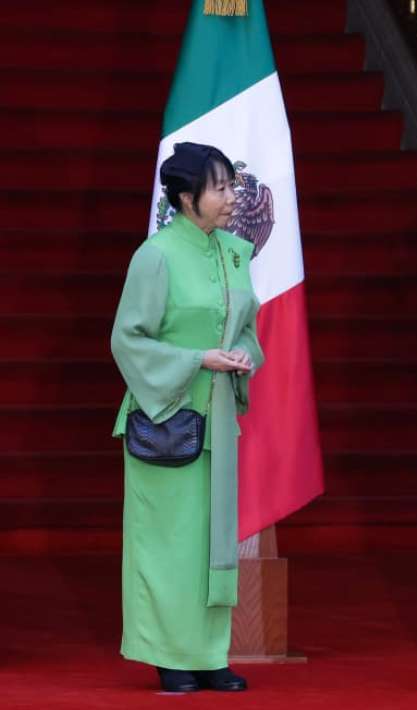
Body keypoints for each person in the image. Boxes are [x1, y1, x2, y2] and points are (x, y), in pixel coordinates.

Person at [110, 142, 263, 693]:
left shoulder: (236, 251)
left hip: (219, 415)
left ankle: (208, 655)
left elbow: (247, 326)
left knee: (211, 540)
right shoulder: (155, 255)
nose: (230, 196)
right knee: (166, 542)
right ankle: (167, 654)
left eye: (230, 186)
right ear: (185, 197)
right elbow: (127, 339)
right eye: (219, 187)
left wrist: (244, 357)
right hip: (166, 418)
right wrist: (197, 359)